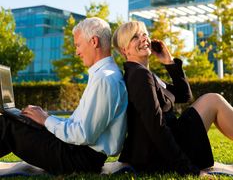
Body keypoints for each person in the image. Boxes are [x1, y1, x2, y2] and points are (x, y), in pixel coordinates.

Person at [0, 17, 128, 175]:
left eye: (78, 45)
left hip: (77, 159)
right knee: (17, 120)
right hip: (76, 152)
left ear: (94, 41)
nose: (77, 52)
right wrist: (44, 119)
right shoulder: (104, 75)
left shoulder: (105, 79)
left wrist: (46, 120)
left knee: (7, 124)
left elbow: (83, 135)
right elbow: (78, 126)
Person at [113, 20, 233, 176]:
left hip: (168, 143)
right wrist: (190, 170)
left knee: (213, 99)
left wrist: (169, 62)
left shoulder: (146, 74)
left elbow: (184, 95)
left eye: (144, 34)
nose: (143, 38)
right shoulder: (139, 75)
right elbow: (156, 127)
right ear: (124, 50)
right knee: (213, 100)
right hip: (158, 156)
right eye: (135, 37)